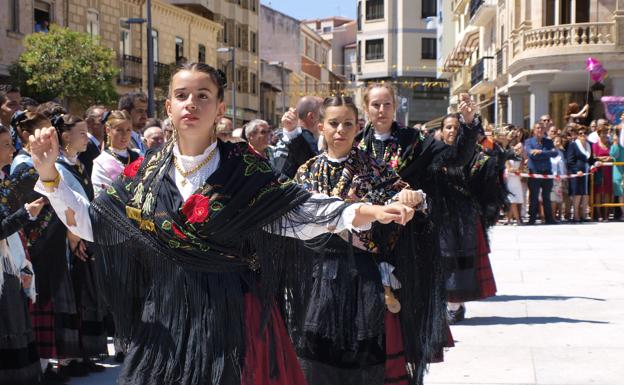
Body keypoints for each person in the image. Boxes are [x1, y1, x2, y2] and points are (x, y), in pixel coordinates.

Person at [29, 62, 415, 385]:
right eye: (181, 96)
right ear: (168, 106)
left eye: (203, 96)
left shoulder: (243, 166)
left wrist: (366, 212)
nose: (191, 104)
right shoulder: (144, 172)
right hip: (165, 312)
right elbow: (95, 223)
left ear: (219, 107)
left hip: (232, 313)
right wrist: (50, 176)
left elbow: (300, 211)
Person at [292, 96, 431, 385]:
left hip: (362, 274)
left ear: (358, 127)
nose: (340, 130)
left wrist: (413, 197)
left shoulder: (374, 167)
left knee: (363, 351)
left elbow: (408, 196)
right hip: (317, 273)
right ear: (320, 127)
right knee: (316, 354)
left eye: (347, 123)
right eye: (333, 123)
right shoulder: (306, 171)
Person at [10, 110, 82, 383]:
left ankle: (53, 361)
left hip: (53, 242)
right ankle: (40, 365)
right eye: (45, 132)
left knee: (51, 303)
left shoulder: (44, 163)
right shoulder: (24, 167)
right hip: (38, 246)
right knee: (40, 303)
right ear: (29, 137)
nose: (51, 137)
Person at [0, 124, 48, 385]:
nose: (13, 149)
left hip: (10, 268)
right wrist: (25, 214)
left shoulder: (5, 181)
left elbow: (14, 231)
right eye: (6, 144)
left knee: (17, 327)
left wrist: (24, 266)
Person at [91, 110, 141, 196]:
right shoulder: (101, 162)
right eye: (119, 130)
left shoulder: (139, 156)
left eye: (128, 130)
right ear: (108, 131)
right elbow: (101, 196)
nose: (124, 134)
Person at [273, 96, 323, 178]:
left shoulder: (283, 136)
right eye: (323, 115)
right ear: (312, 117)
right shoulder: (303, 138)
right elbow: (315, 169)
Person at [524, 123, 559, 224]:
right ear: (534, 130)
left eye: (542, 128)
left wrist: (540, 152)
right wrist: (545, 153)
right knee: (534, 197)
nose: (540, 130)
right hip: (535, 172)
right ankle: (532, 219)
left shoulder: (548, 141)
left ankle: (549, 219)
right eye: (538, 128)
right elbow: (532, 155)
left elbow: (555, 153)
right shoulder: (528, 141)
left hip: (547, 172)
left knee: (546, 197)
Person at [566, 126, 595, 222]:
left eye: (585, 133)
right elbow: (570, 161)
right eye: (580, 133)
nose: (583, 135)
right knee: (577, 194)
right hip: (577, 173)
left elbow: (591, 160)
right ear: (577, 135)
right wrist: (576, 170)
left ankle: (583, 215)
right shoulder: (573, 145)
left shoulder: (589, 145)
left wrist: (594, 163)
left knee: (585, 194)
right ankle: (576, 216)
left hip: (586, 173)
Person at [79, 105, 107, 178]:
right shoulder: (84, 147)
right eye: (103, 120)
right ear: (88, 122)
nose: (107, 124)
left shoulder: (106, 145)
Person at [592, 125, 614, 221]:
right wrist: (603, 158)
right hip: (599, 171)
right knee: (598, 192)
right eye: (603, 132)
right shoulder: (595, 145)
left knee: (607, 192)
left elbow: (613, 156)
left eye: (606, 132)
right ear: (599, 134)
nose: (605, 134)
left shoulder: (610, 144)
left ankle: (606, 214)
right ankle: (599, 214)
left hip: (609, 171)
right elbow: (594, 157)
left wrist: (609, 158)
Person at [505, 143, 524, 225]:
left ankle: (508, 220)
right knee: (512, 202)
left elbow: (521, 170)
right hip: (509, 181)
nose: (518, 149)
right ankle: (518, 221)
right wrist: (516, 170)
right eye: (517, 148)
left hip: (517, 182)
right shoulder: (508, 157)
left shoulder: (521, 159)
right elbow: (509, 169)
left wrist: (516, 170)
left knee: (514, 202)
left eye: (520, 148)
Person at [550, 135, 567, 221]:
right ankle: (553, 217)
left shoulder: (561, 153)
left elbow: (563, 165)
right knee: (553, 199)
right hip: (552, 178)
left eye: (559, 141)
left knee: (560, 198)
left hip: (560, 178)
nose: (557, 143)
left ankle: (559, 216)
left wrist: (564, 178)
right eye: (556, 141)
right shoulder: (549, 152)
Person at [610, 123, 624, 218]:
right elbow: (614, 155)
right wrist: (615, 143)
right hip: (618, 172)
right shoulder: (615, 144)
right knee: (621, 193)